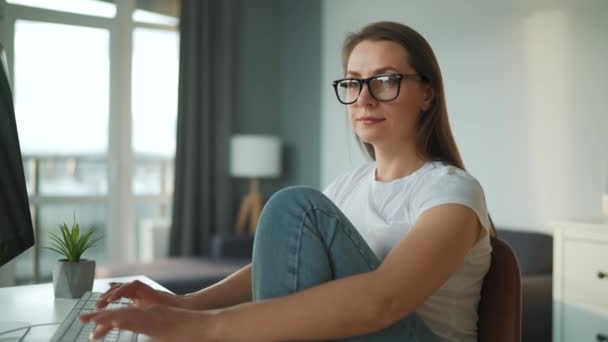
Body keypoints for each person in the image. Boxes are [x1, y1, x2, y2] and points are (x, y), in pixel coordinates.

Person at [81, 21, 493, 342]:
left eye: (385, 80)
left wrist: (205, 329)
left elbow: (383, 300)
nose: (364, 97)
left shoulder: (452, 192)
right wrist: (185, 304)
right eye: (353, 81)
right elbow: (281, 265)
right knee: (294, 209)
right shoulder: (347, 187)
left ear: (427, 94)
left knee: (295, 205)